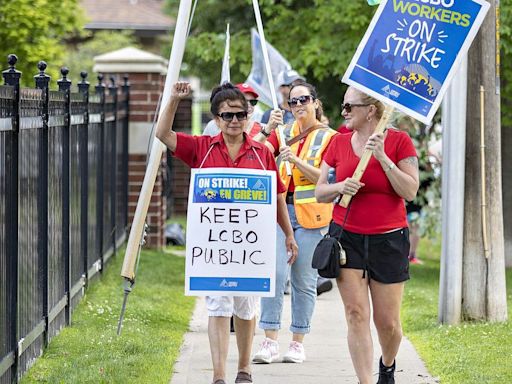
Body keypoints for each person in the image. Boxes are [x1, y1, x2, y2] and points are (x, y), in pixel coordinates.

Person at [156, 81, 299, 384]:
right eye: (227, 116)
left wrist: (288, 234)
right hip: (215, 248)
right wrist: (173, 99)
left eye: (239, 115)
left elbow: (276, 197)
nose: (234, 121)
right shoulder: (201, 149)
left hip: (250, 247)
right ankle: (219, 375)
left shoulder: (262, 153)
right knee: (218, 304)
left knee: (246, 306)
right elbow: (163, 134)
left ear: (248, 115)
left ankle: (244, 369)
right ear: (216, 119)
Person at [315, 86, 419, 384]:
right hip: (346, 237)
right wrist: (339, 186)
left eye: (349, 107)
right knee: (356, 314)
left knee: (388, 324)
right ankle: (365, 381)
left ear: (370, 110)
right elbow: (320, 191)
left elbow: (410, 190)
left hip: (388, 239)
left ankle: (387, 364)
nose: (343, 112)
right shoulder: (338, 143)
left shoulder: (399, 141)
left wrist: (383, 158)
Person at [253, 81, 337, 364]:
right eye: (292, 102)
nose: (298, 105)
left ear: (315, 102)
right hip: (278, 214)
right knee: (274, 274)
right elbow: (252, 156)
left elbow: (328, 181)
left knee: (303, 279)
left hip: (311, 217)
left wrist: (297, 162)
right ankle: (269, 340)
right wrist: (267, 128)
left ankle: (298, 342)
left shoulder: (330, 138)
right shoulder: (282, 132)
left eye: (303, 100)